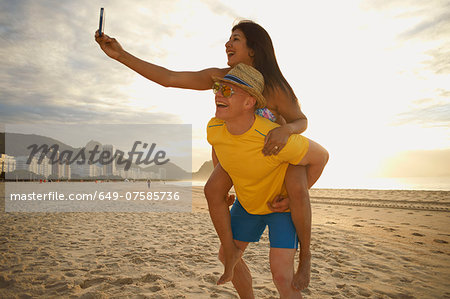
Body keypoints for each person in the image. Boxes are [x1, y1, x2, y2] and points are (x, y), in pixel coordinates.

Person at [95, 20, 312, 289]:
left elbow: (301, 122)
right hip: (241, 171)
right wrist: (121, 55)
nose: (227, 44)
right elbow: (169, 78)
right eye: (228, 39)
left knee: (282, 272)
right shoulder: (221, 78)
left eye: (235, 39)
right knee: (213, 194)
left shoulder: (274, 87)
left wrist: (286, 130)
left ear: (254, 49)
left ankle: (306, 256)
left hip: (273, 171)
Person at [208, 63, 328, 298]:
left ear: (249, 102)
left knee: (282, 276)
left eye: (229, 91)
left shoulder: (272, 138)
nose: (219, 94)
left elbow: (321, 157)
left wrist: (291, 200)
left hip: (278, 207)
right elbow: (218, 146)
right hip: (248, 203)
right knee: (225, 253)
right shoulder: (214, 127)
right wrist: (224, 186)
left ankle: (306, 256)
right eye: (217, 88)